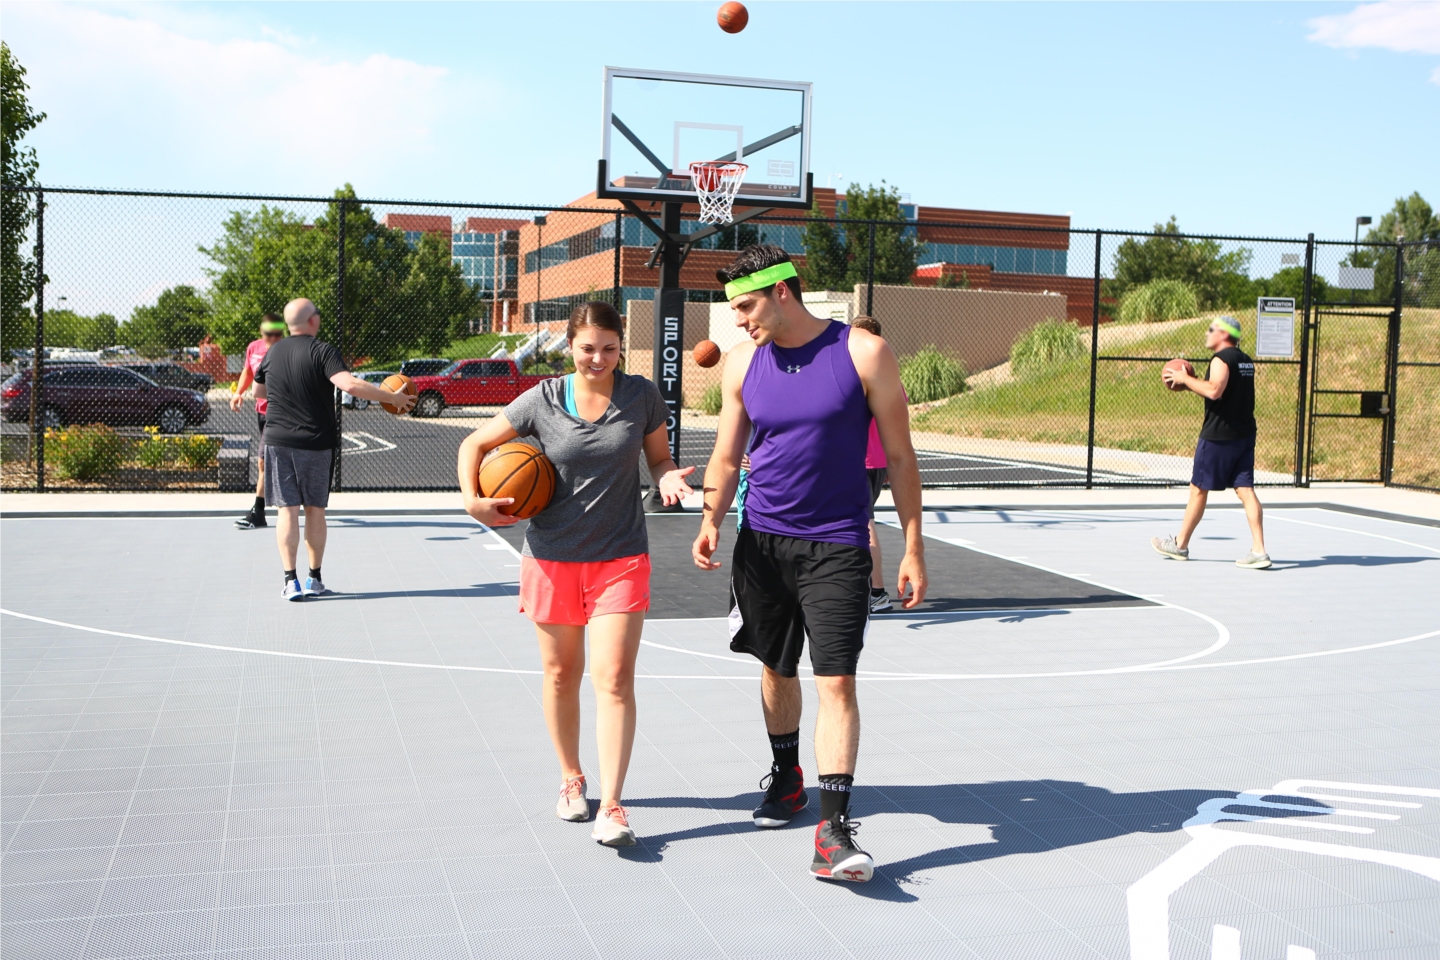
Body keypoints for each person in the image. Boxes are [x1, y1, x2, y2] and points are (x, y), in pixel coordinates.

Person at [691, 246, 927, 882]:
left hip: (838, 544)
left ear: (783, 292)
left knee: (839, 681)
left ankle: (834, 828)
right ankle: (788, 772)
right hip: (762, 543)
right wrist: (711, 518)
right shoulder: (742, 366)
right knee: (775, 670)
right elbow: (724, 455)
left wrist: (911, 545)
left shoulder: (861, 352)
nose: (739, 320)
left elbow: (901, 459)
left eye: (746, 306)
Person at [458, 301, 693, 847]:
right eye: (588, 348)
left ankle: (613, 805)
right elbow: (475, 443)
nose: (598, 358)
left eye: (609, 348)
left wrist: (667, 480)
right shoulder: (541, 399)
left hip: (621, 557)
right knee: (562, 675)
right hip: (551, 556)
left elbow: (658, 458)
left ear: (620, 347)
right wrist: (473, 501)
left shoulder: (641, 395)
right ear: (570, 346)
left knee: (613, 679)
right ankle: (571, 779)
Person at [254, 298, 416, 601]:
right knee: (314, 509)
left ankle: (291, 581)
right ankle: (314, 579)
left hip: (277, 440)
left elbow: (257, 391)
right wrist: (390, 398)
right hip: (315, 442)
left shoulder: (273, 352)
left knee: (286, 511)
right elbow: (350, 385)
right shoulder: (322, 350)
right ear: (313, 321)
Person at [1152, 314, 1271, 569]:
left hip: (1219, 437)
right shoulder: (1245, 360)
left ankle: (1180, 545)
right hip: (1244, 433)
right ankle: (1259, 550)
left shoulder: (1221, 359)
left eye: (1211, 329)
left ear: (1224, 334)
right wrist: (1189, 385)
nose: (1207, 333)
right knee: (1246, 490)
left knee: (1198, 489)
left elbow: (1215, 390)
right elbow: (1225, 393)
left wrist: (1184, 379)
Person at [849, 315, 901, 614]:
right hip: (873, 463)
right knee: (858, 521)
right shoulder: (887, 374)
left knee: (864, 523)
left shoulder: (865, 373)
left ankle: (877, 592)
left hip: (863, 462)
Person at [232, 314, 286, 529]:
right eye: (269, 334)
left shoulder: (287, 349)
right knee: (272, 462)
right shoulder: (253, 348)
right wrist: (238, 392)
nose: (274, 338)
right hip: (262, 412)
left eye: (278, 334)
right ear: (261, 332)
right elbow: (248, 371)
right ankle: (278, 505)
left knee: (263, 461)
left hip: (281, 413)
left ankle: (258, 512)